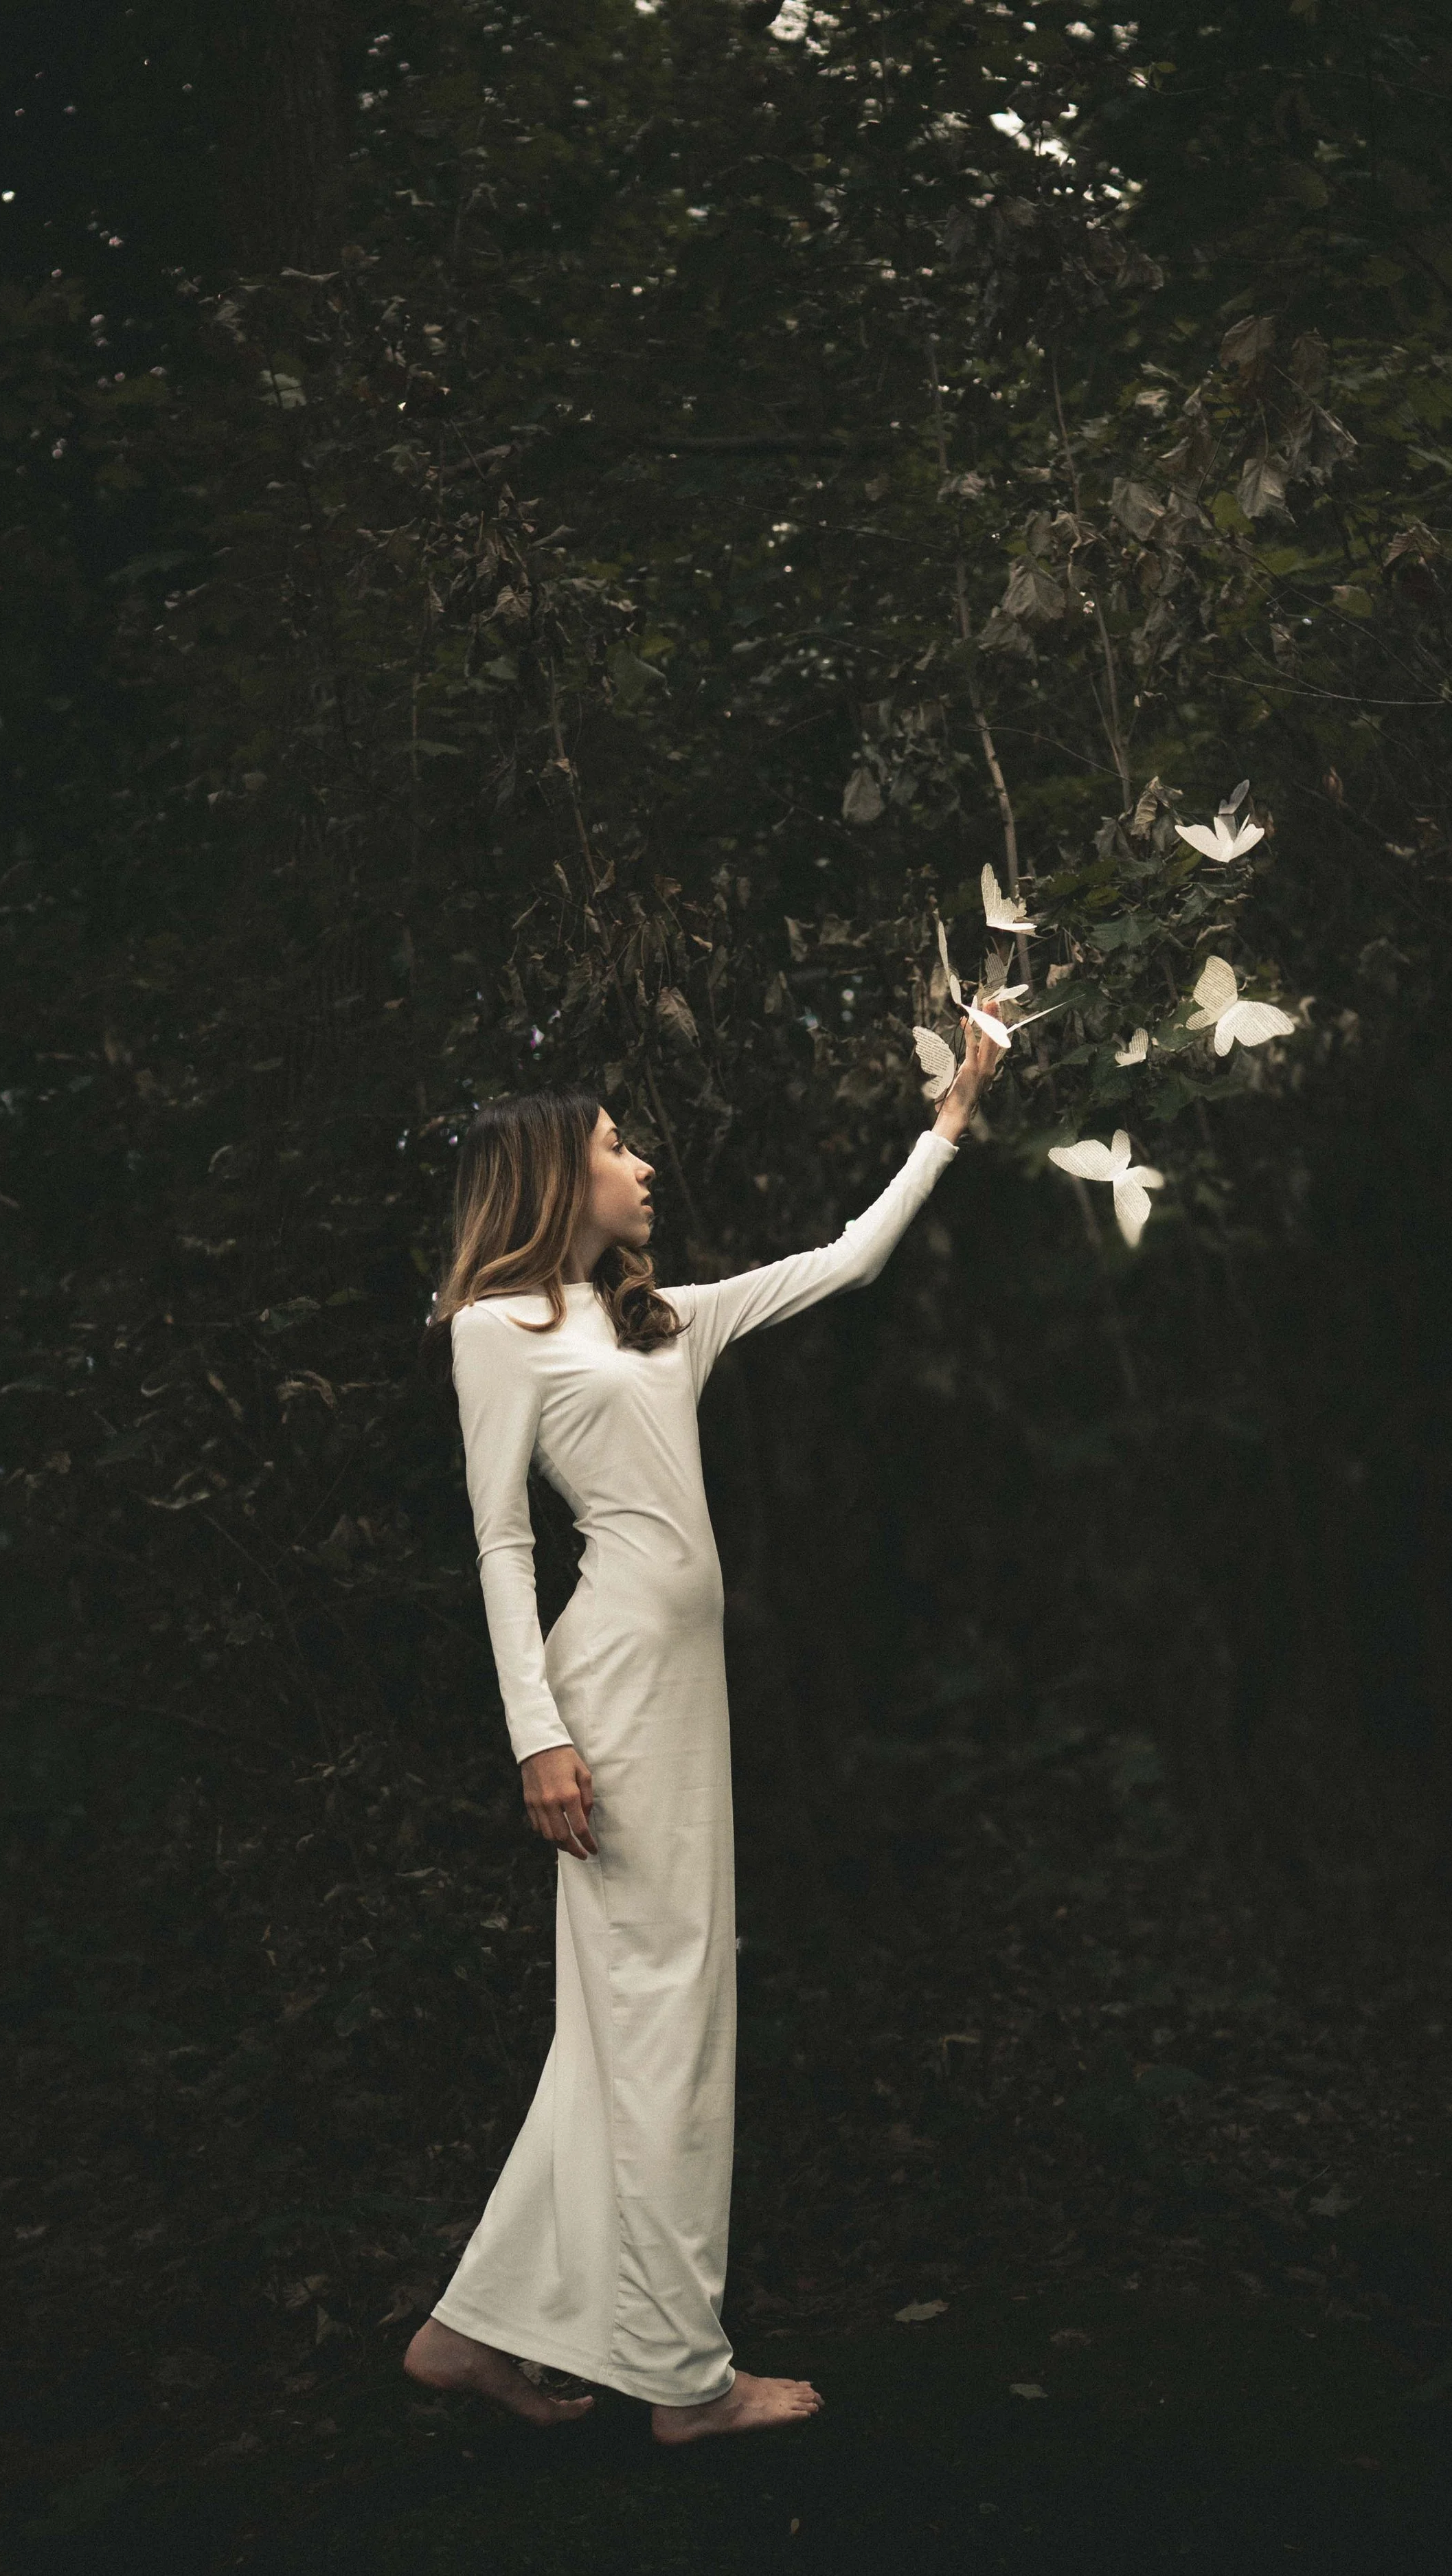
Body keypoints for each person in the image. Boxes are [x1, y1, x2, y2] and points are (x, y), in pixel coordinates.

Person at [405, 1016, 1001, 2443]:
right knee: (663, 2017)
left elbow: (844, 1260)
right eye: (616, 1146)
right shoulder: (497, 1331)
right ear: (557, 1174)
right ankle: (682, 2379)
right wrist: (533, 1739)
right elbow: (497, 1545)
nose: (642, 1162)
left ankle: (460, 2334)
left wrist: (950, 1118)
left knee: (636, 2019)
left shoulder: (659, 1320)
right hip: (604, 1698)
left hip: (681, 1698)